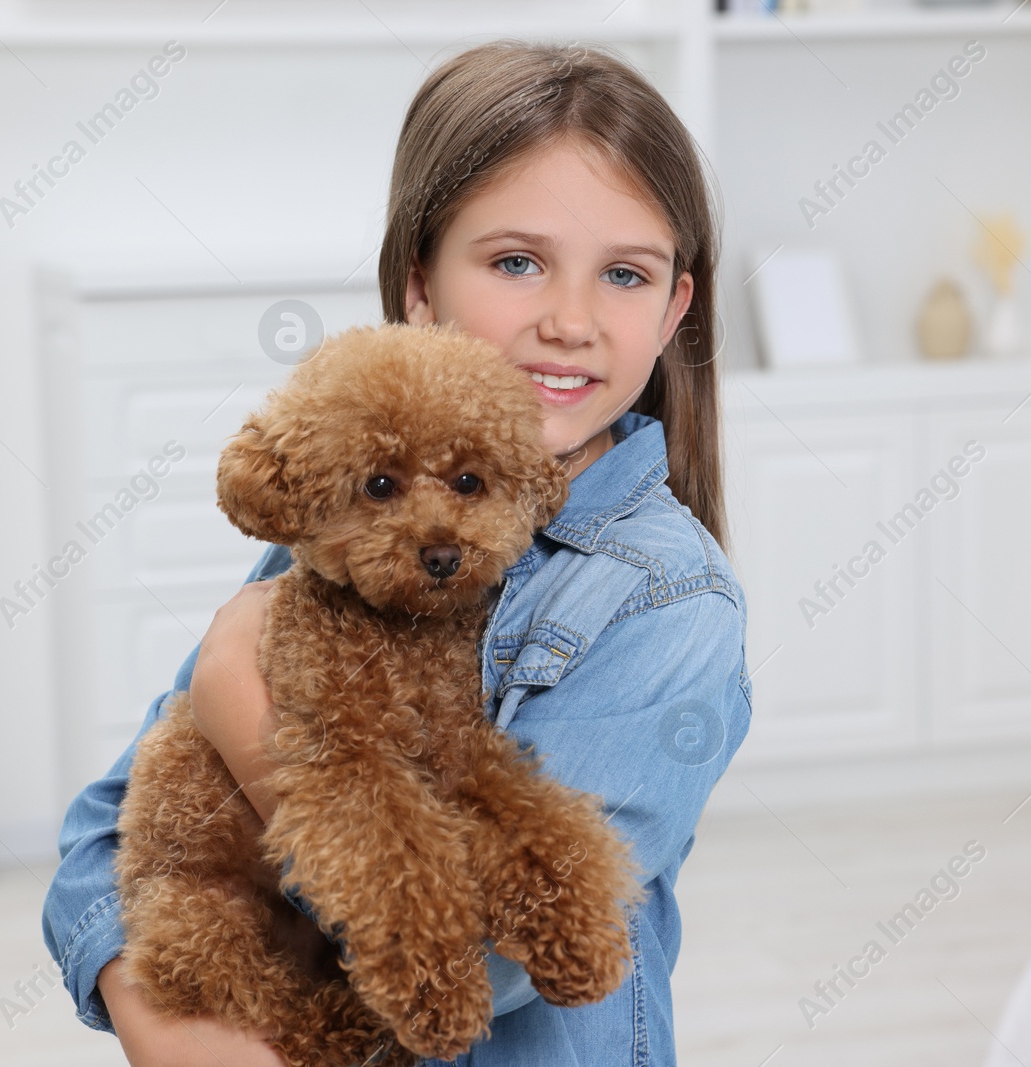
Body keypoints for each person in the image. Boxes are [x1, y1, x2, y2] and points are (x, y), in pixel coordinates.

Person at [42, 39, 753, 1066]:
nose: (568, 321)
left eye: (625, 275)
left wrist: (238, 693)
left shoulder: (667, 601)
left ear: (675, 308)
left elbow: (488, 962)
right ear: (419, 286)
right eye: (516, 261)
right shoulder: (337, 522)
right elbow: (102, 837)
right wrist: (173, 1031)